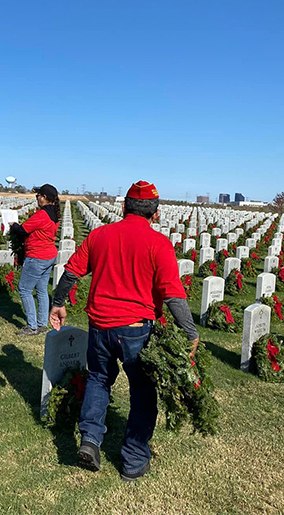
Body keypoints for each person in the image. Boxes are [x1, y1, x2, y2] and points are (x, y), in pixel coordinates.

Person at [49, 180, 199, 482]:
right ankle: (132, 460)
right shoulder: (159, 244)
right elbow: (172, 295)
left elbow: (72, 271)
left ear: (123, 207)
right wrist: (191, 332)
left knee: (99, 379)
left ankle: (90, 439)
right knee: (142, 392)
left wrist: (58, 303)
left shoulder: (100, 234)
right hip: (135, 330)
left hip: (100, 325)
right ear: (155, 213)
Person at [9, 183, 60, 336]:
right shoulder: (55, 214)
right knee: (42, 289)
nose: (37, 198)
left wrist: (13, 225)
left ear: (44, 198)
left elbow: (23, 230)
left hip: (37, 256)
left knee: (24, 289)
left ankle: (32, 326)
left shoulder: (42, 214)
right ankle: (42, 323)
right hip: (49, 255)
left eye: (38, 196)